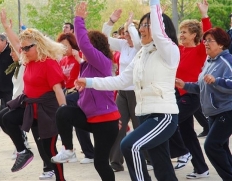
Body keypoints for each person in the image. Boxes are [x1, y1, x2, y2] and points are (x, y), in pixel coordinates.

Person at [75, 0, 180, 180]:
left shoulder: (169, 51)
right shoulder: (141, 54)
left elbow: (159, 34)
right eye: (142, 25)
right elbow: (121, 80)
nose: (142, 29)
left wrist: (154, 4)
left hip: (163, 116)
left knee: (130, 145)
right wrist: (90, 82)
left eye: (147, 25)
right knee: (162, 166)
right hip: (145, 114)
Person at [51, 2, 120, 181]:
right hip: (90, 118)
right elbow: (84, 62)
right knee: (63, 112)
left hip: (105, 122)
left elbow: (83, 44)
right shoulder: (88, 65)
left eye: (87, 45)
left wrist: (79, 20)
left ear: (94, 46)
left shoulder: (102, 61)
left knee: (100, 163)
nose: (83, 48)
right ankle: (68, 150)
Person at [0, 9, 66, 181]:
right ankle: (23, 151)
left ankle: (61, 179)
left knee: (49, 150)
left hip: (47, 111)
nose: (24, 50)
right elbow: (17, 44)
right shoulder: (29, 59)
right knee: (5, 118)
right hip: (30, 106)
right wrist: (7, 28)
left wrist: (64, 112)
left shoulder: (49, 63)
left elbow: (58, 90)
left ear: (39, 45)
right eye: (23, 48)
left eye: (28, 47)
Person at [175, 27, 232, 181]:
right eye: (205, 40)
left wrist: (217, 80)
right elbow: (202, 86)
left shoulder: (227, 61)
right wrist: (185, 85)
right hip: (213, 112)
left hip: (227, 110)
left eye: (210, 41)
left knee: (211, 146)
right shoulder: (209, 61)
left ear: (220, 44)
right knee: (221, 147)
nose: (206, 43)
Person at [169, 0, 210, 177]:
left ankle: (182, 152)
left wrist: (204, 15)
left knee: (169, 122)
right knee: (188, 134)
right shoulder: (178, 50)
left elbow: (208, 33)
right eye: (181, 32)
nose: (181, 35)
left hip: (193, 95)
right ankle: (202, 169)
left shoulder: (201, 50)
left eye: (185, 32)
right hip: (178, 94)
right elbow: (165, 40)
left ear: (194, 35)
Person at [102, 9, 141, 172]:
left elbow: (137, 38)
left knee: (140, 127)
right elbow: (105, 39)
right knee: (118, 126)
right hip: (122, 92)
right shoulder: (123, 45)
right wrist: (111, 21)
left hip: (137, 92)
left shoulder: (141, 46)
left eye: (128, 33)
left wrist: (130, 24)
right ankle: (116, 162)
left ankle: (148, 157)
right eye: (124, 33)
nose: (125, 36)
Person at [56, 32, 95, 164]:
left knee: (65, 109)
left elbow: (88, 68)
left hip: (80, 93)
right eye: (61, 46)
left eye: (65, 46)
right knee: (77, 124)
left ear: (72, 45)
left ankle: (82, 152)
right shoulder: (62, 60)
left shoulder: (78, 57)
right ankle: (82, 152)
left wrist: (78, 57)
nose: (63, 49)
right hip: (68, 92)